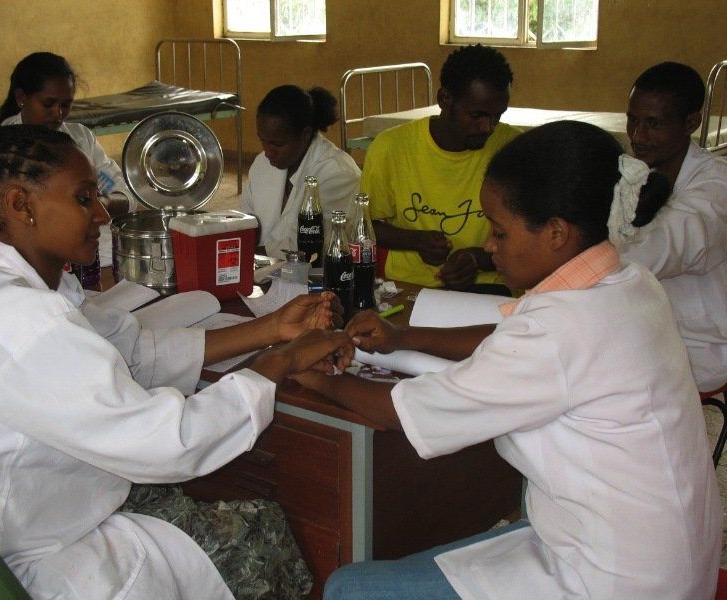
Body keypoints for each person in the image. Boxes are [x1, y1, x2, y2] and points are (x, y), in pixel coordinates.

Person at [0, 121, 356, 599]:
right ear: (19, 205)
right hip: (13, 563)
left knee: (187, 503)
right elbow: (169, 444)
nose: (102, 216)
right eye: (84, 199)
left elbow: (130, 355)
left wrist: (274, 330)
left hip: (0, 528)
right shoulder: (26, 323)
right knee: (262, 533)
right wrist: (280, 363)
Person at [296, 121, 722, 598]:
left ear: (557, 232)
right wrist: (404, 337)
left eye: (500, 231)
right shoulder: (628, 282)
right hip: (657, 554)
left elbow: (408, 411)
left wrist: (315, 379)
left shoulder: (559, 329)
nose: (491, 246)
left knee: (350, 589)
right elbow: (514, 332)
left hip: (611, 578)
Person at [362, 44, 520, 293]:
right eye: (477, 115)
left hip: (489, 289)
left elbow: (530, 241)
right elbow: (366, 227)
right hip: (410, 286)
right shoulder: (390, 148)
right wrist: (417, 241)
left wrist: (477, 259)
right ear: (444, 99)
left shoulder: (512, 149)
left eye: (496, 116)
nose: (488, 127)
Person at [619, 61, 727, 393]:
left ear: (691, 123)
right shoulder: (630, 176)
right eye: (632, 120)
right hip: (640, 329)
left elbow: (671, 243)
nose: (638, 136)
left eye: (653, 124)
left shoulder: (716, 184)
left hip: (701, 343)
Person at [0, 51, 137, 215]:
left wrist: (105, 202)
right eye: (48, 104)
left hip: (97, 236)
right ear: (21, 97)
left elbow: (127, 195)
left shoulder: (81, 137)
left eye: (65, 105)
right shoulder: (2, 147)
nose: (58, 114)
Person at [241, 85, 360, 258]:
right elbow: (245, 223)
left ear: (305, 133)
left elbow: (305, 247)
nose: (268, 151)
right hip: (266, 272)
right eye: (263, 140)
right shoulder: (262, 163)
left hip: (319, 276)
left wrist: (246, 256)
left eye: (277, 144)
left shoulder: (338, 174)